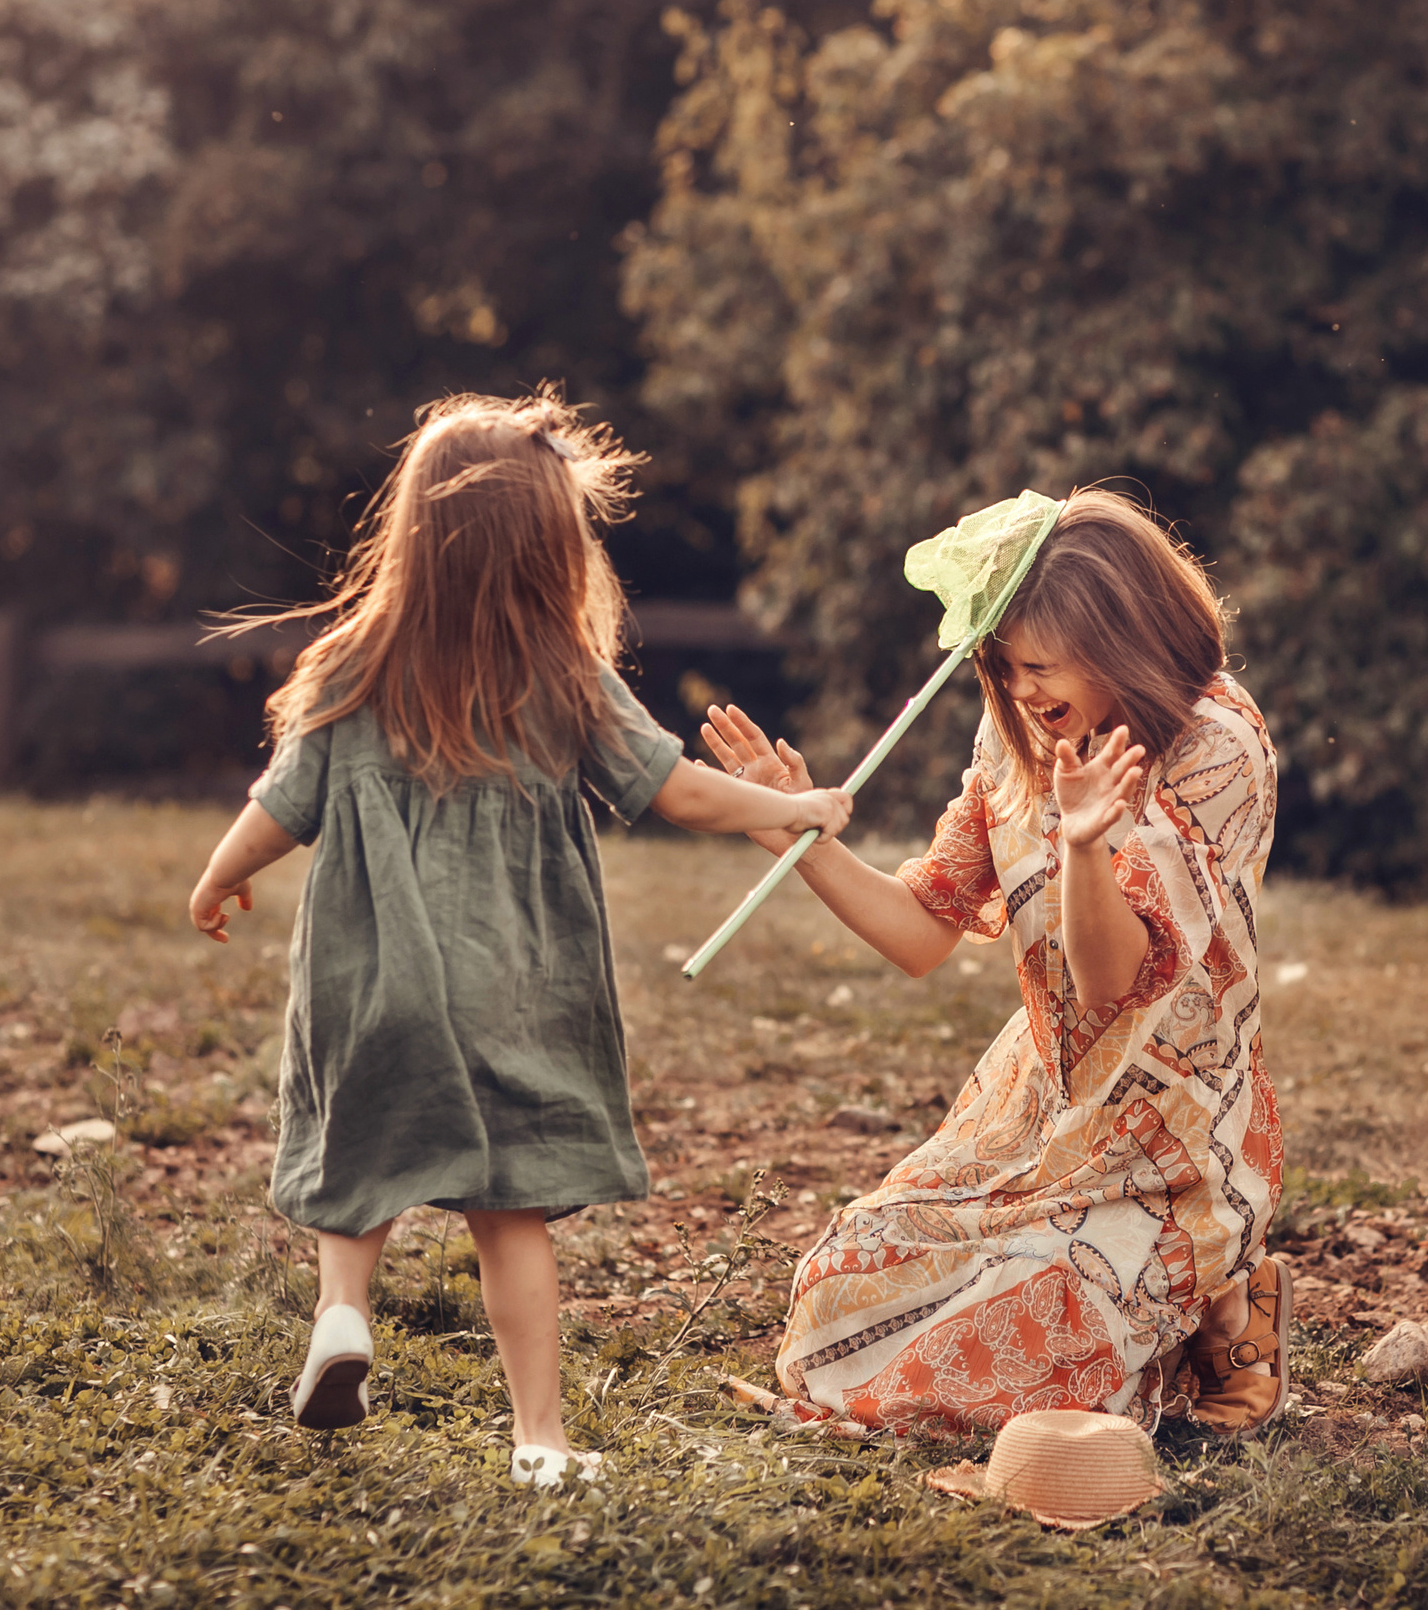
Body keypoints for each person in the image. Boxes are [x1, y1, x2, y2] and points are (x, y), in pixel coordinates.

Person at [186, 391, 851, 1489]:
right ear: (550, 547)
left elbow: (280, 804)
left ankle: (343, 1316)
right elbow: (677, 794)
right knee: (511, 1213)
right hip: (517, 988)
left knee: (359, 1167)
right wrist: (790, 807)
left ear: (414, 536)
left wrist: (216, 878)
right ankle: (537, 1438)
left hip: (372, 986)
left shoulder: (352, 670)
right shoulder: (563, 682)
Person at [699, 489, 1286, 1437]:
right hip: (1036, 1119)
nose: (1019, 690)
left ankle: (1221, 1298)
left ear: (1119, 636)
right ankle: (1151, 1327)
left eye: (1040, 665)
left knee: (1011, 1362)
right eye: (1003, 666)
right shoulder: (1017, 737)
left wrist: (1088, 849)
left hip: (1168, 1137)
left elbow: (1108, 984)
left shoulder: (1216, 746)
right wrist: (793, 833)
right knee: (830, 1301)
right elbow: (922, 933)